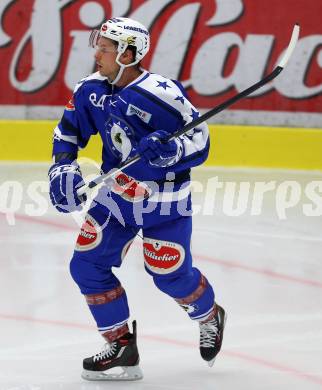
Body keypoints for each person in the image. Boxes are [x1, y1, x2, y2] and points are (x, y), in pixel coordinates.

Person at [48, 17, 226, 381]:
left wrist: (170, 150)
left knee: (169, 275)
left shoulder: (161, 92)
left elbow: (200, 141)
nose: (97, 53)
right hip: (116, 197)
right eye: (98, 46)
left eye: (106, 48)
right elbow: (67, 133)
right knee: (86, 265)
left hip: (164, 199)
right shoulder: (89, 90)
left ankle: (209, 315)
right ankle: (121, 346)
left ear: (128, 54)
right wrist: (61, 168)